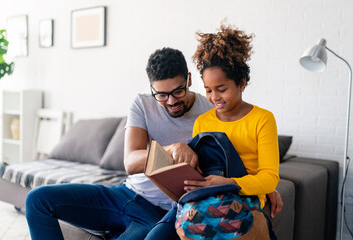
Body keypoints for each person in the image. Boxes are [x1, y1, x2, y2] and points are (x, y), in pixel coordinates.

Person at [25, 47, 282, 240]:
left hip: (160, 211)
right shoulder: (141, 104)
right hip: (125, 194)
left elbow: (233, 158)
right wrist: (171, 149)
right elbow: (130, 162)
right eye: (161, 94)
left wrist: (263, 187)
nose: (170, 101)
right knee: (38, 200)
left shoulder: (211, 110)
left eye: (177, 92)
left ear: (189, 80)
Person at [175, 24, 280, 239]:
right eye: (208, 90)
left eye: (222, 89)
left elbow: (269, 178)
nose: (214, 97)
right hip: (207, 196)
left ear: (241, 83)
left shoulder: (262, 119)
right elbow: (200, 169)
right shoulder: (202, 122)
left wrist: (230, 183)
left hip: (243, 199)